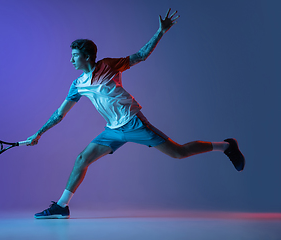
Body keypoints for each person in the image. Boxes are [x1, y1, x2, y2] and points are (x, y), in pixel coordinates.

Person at [26, 8, 245, 219]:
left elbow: (140, 56)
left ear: (87, 57)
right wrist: (38, 133)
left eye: (75, 56)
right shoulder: (77, 85)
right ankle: (62, 206)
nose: (71, 60)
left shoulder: (108, 66)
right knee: (82, 159)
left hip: (133, 123)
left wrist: (160, 32)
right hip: (112, 131)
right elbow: (59, 114)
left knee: (179, 153)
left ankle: (226, 145)